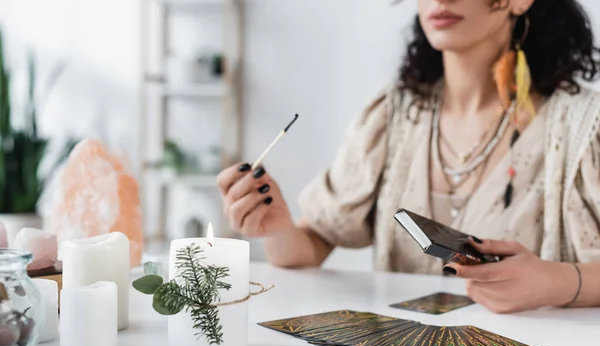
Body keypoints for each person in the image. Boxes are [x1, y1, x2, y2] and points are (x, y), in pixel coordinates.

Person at [217, 0, 600, 313]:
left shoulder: (583, 129)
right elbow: (311, 244)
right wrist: (276, 227)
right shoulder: (392, 116)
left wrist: (557, 282)